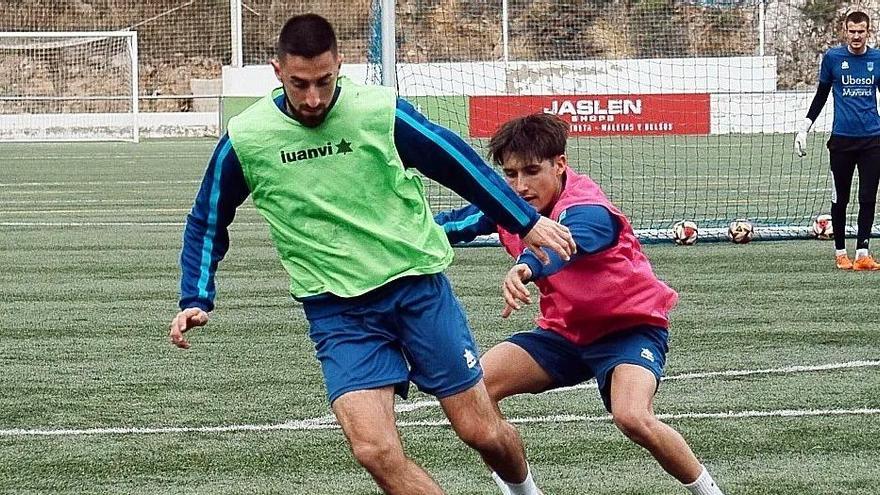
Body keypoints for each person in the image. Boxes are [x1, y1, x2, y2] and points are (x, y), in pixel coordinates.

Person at [168, 14, 576, 495]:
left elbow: (458, 163)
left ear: (340, 65)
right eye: (300, 84)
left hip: (416, 291)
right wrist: (196, 296)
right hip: (338, 311)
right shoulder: (247, 137)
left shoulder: (378, 111)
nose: (314, 98)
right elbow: (207, 218)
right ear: (277, 72)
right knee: (375, 451)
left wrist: (525, 221)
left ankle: (524, 489)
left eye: (324, 81)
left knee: (481, 432)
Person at [435, 113, 726, 495]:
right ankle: (524, 492)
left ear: (560, 165)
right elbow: (447, 226)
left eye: (532, 171)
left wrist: (523, 269)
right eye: (510, 174)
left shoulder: (589, 207)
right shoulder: (507, 205)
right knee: (475, 390)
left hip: (629, 329)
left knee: (633, 416)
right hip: (563, 334)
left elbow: (563, 244)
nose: (520, 186)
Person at [795, 10, 880, 271]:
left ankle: (863, 253)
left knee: (867, 197)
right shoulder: (832, 58)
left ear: (868, 32)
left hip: (873, 141)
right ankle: (841, 252)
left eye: (861, 31)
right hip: (841, 141)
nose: (856, 36)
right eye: (852, 31)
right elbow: (821, 96)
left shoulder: (877, 59)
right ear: (846, 31)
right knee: (839, 198)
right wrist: (804, 128)